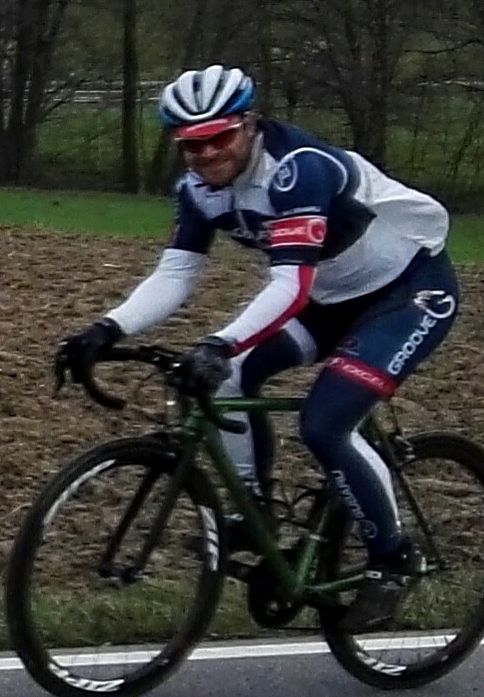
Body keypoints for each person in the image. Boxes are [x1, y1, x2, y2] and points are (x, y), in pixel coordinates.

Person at [53, 64, 457, 631]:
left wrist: (220, 342)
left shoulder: (298, 171)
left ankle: (393, 559)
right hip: (329, 298)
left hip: (406, 293)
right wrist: (107, 329)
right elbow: (176, 273)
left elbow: (290, 285)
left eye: (220, 137)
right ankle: (257, 512)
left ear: (250, 125)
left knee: (325, 424)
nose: (207, 153)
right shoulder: (198, 190)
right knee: (229, 379)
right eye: (192, 143)